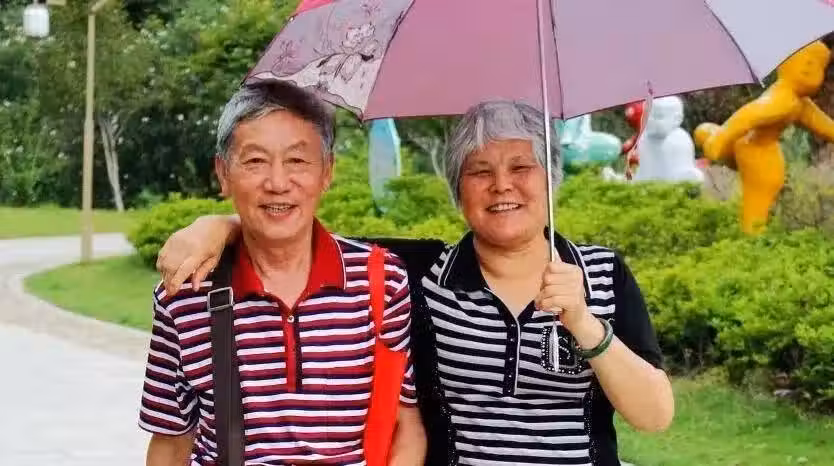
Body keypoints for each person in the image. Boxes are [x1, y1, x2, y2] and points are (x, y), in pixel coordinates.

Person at [156, 101, 674, 466]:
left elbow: (654, 416)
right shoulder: (421, 273)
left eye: (522, 167)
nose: (502, 185)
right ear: (457, 189)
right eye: (479, 171)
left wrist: (584, 323)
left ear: (551, 178)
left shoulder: (602, 273)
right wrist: (219, 224)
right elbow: (292, 230)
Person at [138, 81, 426, 466]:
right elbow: (171, 444)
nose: (277, 183)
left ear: (327, 172)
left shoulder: (381, 279)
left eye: (297, 161)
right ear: (223, 173)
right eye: (255, 161)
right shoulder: (184, 295)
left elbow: (406, 426)